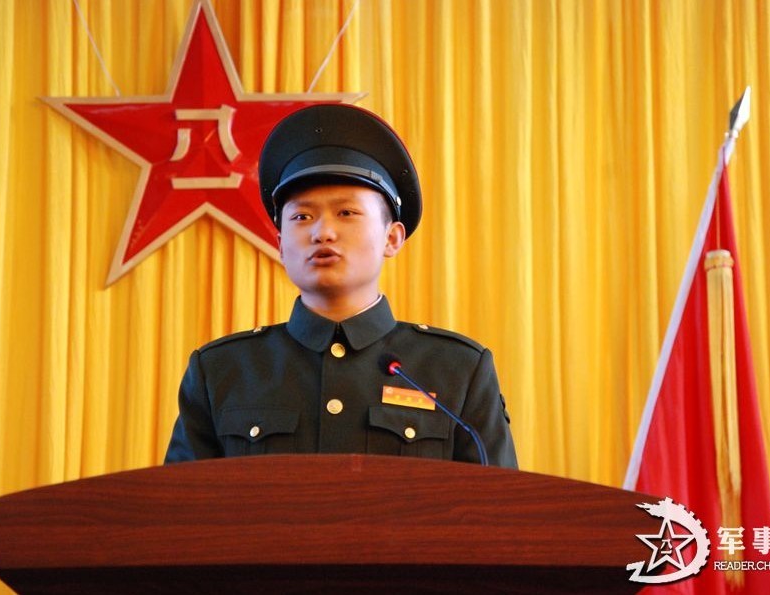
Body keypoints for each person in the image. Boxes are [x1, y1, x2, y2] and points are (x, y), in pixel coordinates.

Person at [164, 104, 517, 467]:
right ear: (281, 245)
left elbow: (499, 513)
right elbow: (178, 514)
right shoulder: (224, 370)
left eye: (346, 213)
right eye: (302, 217)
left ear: (392, 238)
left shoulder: (455, 369)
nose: (322, 232)